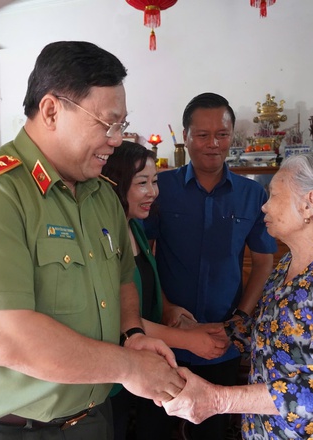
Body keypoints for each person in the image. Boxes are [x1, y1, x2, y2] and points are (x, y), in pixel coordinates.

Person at [0, 41, 185, 440]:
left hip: (90, 419)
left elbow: (122, 278)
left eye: (121, 125)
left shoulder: (101, 196)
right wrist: (129, 368)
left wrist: (132, 335)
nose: (117, 140)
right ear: (51, 110)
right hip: (4, 429)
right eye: (107, 123)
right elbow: (5, 338)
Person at [163, 152, 313, 440]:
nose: (264, 207)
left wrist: (217, 399)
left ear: (310, 204)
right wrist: (200, 334)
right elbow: (266, 331)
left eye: (274, 196)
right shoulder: (288, 264)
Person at [143, 92, 277, 439]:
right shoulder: (161, 188)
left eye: (222, 134)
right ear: (185, 137)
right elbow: (140, 253)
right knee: (152, 429)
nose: (213, 144)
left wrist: (242, 317)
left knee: (212, 432)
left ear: (233, 136)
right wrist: (167, 305)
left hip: (222, 340)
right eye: (202, 135)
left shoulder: (252, 195)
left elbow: (264, 261)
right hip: (164, 338)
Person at [101, 141, 230, 440]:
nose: (153, 192)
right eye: (142, 183)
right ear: (117, 184)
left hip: (144, 364)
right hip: (115, 371)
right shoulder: (106, 238)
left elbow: (144, 284)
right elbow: (117, 317)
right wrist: (187, 340)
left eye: (155, 181)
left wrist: (168, 306)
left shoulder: (135, 228)